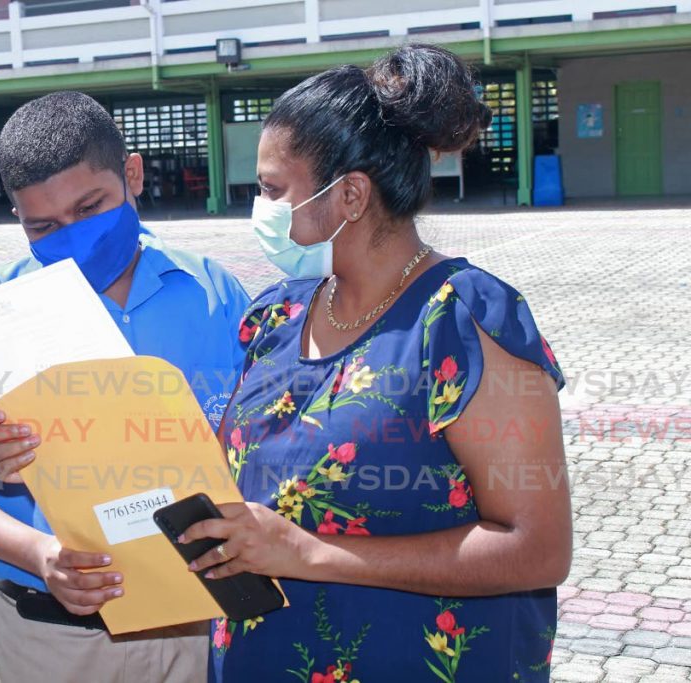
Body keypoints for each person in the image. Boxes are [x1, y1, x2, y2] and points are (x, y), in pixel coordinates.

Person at [178, 44, 572, 682]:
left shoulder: (463, 323)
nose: (259, 207)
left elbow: (537, 549)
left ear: (351, 196)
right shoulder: (277, 316)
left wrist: (311, 553)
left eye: (274, 189)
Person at [0, 91, 249, 682]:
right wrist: (40, 554)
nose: (74, 236)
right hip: (40, 644)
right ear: (18, 221)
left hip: (194, 634)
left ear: (132, 175)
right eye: (45, 225)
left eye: (91, 207)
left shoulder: (212, 293)